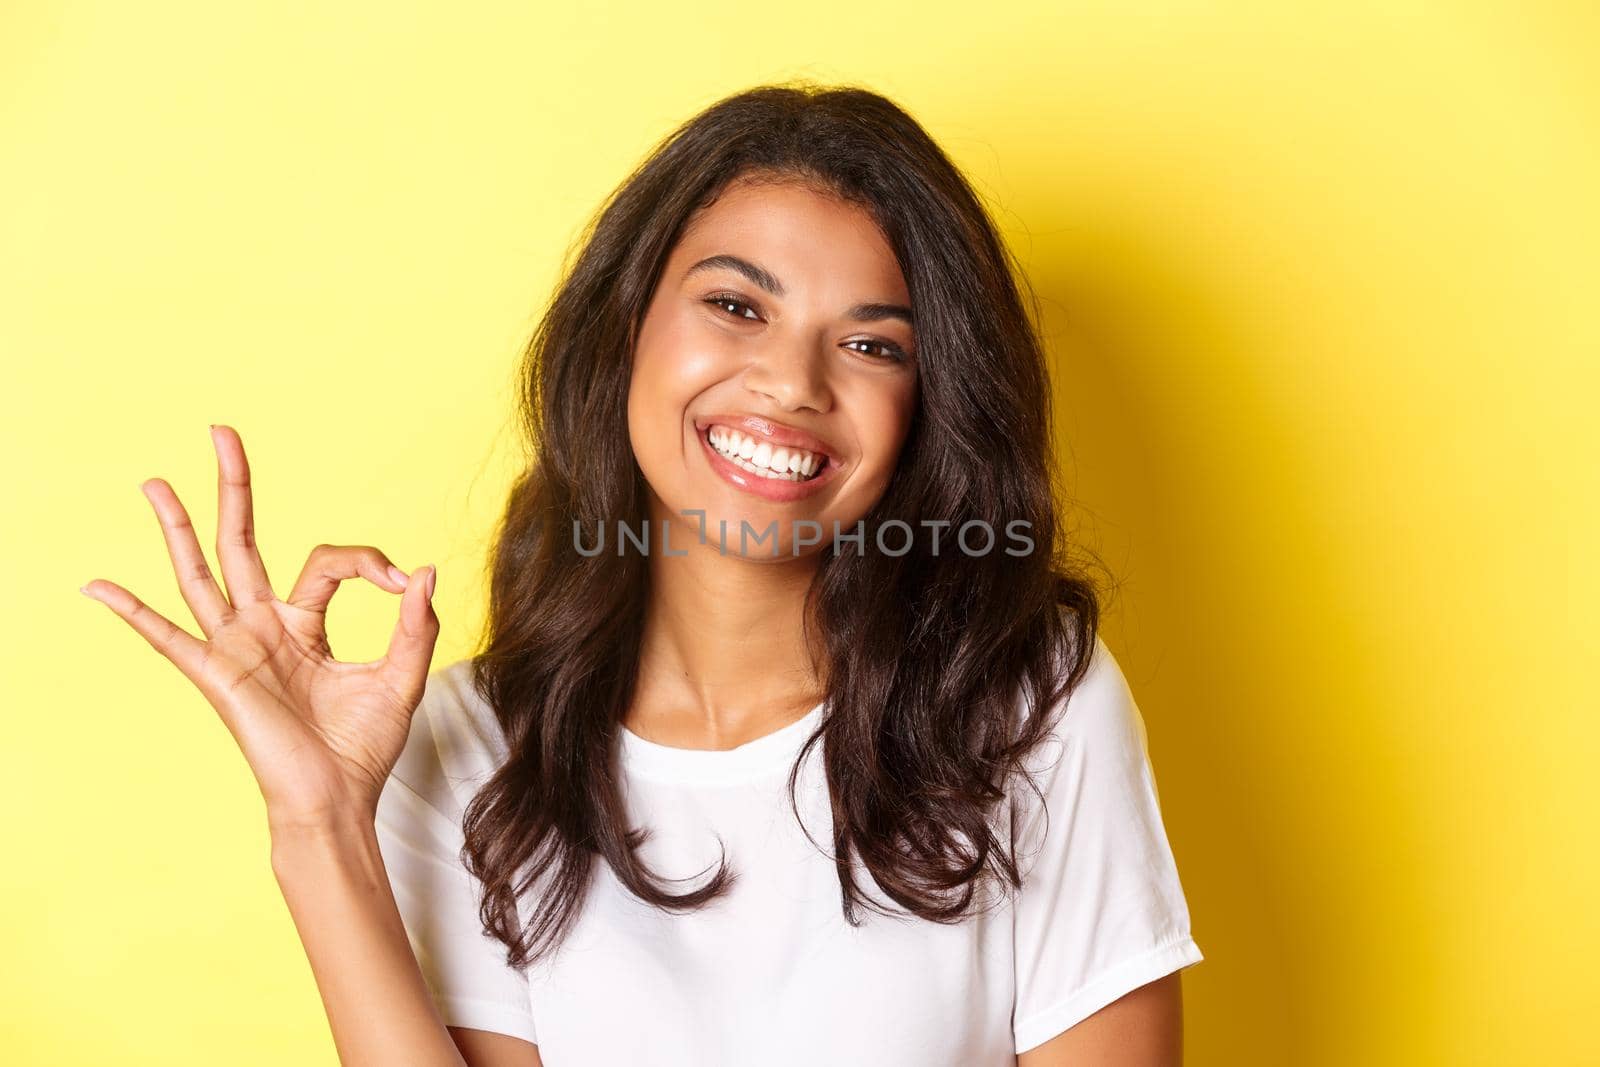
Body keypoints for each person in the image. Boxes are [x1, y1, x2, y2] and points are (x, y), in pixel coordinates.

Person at [81, 82, 1203, 1065]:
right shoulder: (466, 746)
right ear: (626, 329)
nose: (790, 382)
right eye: (735, 305)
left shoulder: (1028, 702)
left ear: (926, 407)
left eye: (872, 345)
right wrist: (320, 821)